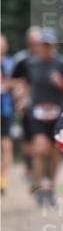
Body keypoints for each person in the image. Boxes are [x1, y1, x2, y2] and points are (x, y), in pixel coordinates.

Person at [11, 28, 63, 204]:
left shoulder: (62, 63)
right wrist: (21, 95)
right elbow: (18, 82)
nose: (46, 48)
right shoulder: (29, 63)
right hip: (36, 113)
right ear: (38, 45)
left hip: (57, 113)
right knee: (39, 149)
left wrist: (61, 84)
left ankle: (51, 186)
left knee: (55, 152)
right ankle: (38, 185)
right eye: (43, 45)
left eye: (49, 45)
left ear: (54, 46)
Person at [1, 34, 15, 194]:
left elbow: (20, 82)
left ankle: (4, 178)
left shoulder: (11, 63)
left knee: (6, 145)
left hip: (6, 109)